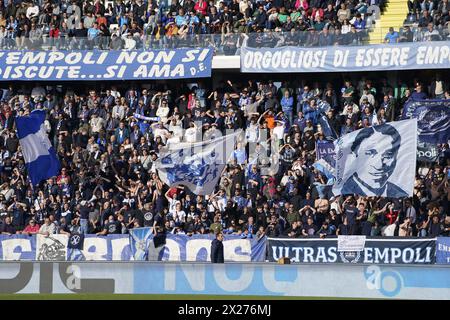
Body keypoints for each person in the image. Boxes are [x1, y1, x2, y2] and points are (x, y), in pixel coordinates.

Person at [341, 124, 409, 197]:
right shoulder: (345, 190)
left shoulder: (400, 194)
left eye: (388, 155)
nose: (380, 165)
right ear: (355, 155)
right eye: (370, 153)